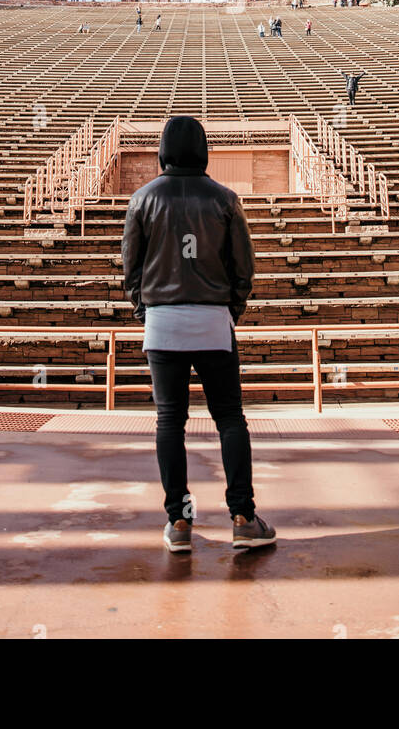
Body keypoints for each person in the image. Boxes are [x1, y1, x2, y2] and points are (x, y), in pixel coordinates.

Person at [122, 115, 275, 553]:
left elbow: (130, 269)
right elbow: (243, 267)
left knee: (171, 421)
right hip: (213, 322)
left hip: (163, 322)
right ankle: (243, 517)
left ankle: (179, 522)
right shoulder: (225, 199)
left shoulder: (142, 199)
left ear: (163, 149)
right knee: (229, 418)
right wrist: (230, 312)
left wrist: (145, 310)